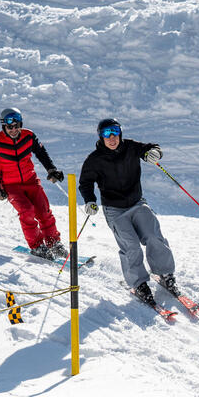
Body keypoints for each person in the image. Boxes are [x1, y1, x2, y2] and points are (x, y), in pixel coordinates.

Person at [78, 118, 179, 305]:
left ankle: (165, 273)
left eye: (115, 131)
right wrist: (90, 201)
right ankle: (139, 284)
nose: (111, 137)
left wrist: (153, 153)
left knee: (153, 235)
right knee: (131, 245)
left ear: (120, 132)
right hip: (114, 209)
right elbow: (85, 183)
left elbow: (151, 148)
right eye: (106, 133)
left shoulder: (130, 147)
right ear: (101, 136)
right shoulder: (94, 160)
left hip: (137, 202)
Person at [0, 107, 66, 260]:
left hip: (31, 181)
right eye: (10, 127)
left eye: (17, 126)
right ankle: (37, 246)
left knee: (44, 211)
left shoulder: (29, 136)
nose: (14, 129)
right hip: (11, 185)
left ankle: (53, 243)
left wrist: (51, 169)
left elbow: (41, 153)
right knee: (27, 211)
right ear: (4, 126)